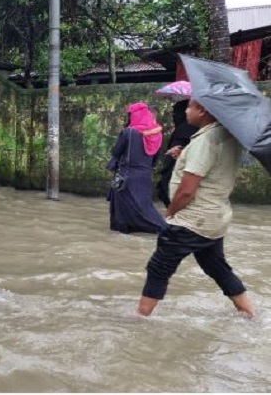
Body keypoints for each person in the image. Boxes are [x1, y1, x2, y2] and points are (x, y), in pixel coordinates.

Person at [137, 99, 254, 318]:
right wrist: (184, 156)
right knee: (217, 268)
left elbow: (187, 191)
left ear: (202, 111)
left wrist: (170, 212)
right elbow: (213, 166)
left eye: (189, 107)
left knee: (158, 268)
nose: (186, 112)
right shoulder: (227, 135)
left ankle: (139, 319)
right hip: (214, 219)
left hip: (192, 220)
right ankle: (250, 314)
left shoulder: (206, 139)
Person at [106, 102, 166, 234]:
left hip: (126, 176)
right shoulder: (157, 135)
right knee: (144, 206)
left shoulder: (128, 132)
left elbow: (117, 152)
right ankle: (163, 229)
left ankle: (163, 230)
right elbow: (155, 158)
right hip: (145, 176)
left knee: (121, 209)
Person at [156, 100, 199, 207]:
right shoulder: (183, 128)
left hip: (178, 170)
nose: (174, 116)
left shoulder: (186, 129)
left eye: (176, 113)